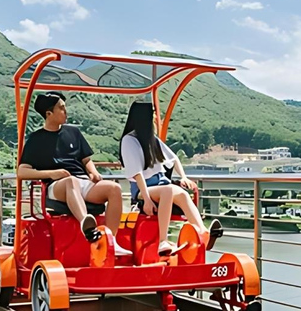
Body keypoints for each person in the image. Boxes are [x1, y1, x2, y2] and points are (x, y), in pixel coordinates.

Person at [17, 91, 131, 255]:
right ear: (49, 113)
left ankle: (111, 242)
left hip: (82, 181)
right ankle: (86, 223)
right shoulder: (36, 139)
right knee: (71, 182)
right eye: (61, 108)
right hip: (57, 186)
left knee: (114, 189)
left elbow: (86, 160)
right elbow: (22, 171)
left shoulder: (73, 132)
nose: (66, 111)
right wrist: (52, 173)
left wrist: (93, 172)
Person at [119, 101, 222, 255]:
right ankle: (163, 241)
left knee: (182, 194)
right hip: (142, 189)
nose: (155, 117)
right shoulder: (129, 140)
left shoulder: (151, 139)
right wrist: (146, 199)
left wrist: (184, 177)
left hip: (160, 184)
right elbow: (136, 172)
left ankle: (203, 234)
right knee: (168, 191)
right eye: (153, 113)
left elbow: (173, 159)